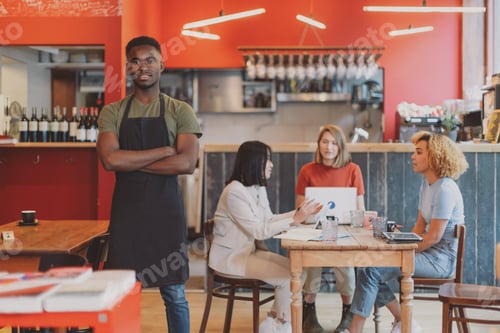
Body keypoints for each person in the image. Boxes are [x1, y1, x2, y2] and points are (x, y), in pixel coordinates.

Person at [96, 35, 202, 333]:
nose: (143, 66)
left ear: (162, 65)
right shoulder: (113, 112)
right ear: (128, 67)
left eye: (150, 60)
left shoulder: (180, 111)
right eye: (135, 60)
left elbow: (186, 163)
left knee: (175, 294)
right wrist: (163, 151)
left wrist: (130, 161)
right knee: (124, 293)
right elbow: (109, 161)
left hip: (166, 216)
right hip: (127, 217)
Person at [341, 131, 469, 333]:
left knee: (371, 269)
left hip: (440, 260)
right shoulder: (426, 185)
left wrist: (400, 253)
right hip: (427, 253)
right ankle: (403, 321)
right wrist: (396, 243)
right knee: (366, 266)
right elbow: (419, 228)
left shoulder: (445, 189)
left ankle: (357, 329)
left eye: (418, 152)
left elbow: (434, 237)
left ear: (434, 156)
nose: (413, 156)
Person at [209, 140, 322, 333]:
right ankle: (283, 324)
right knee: (289, 277)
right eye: (267, 160)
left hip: (248, 253)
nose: (271, 164)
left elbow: (269, 219)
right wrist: (296, 219)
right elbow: (259, 231)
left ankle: (273, 322)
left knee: (298, 271)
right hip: (231, 258)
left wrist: (299, 213)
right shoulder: (234, 192)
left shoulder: (257, 188)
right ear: (254, 162)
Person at [295, 124, 366, 333]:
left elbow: (360, 208)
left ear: (341, 146)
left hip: (344, 229)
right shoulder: (307, 170)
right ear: (318, 145)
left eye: (334, 143)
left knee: (343, 258)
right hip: (315, 228)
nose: (329, 147)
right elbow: (301, 208)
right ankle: (308, 309)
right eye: (324, 142)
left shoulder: (353, 170)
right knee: (313, 255)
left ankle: (348, 310)